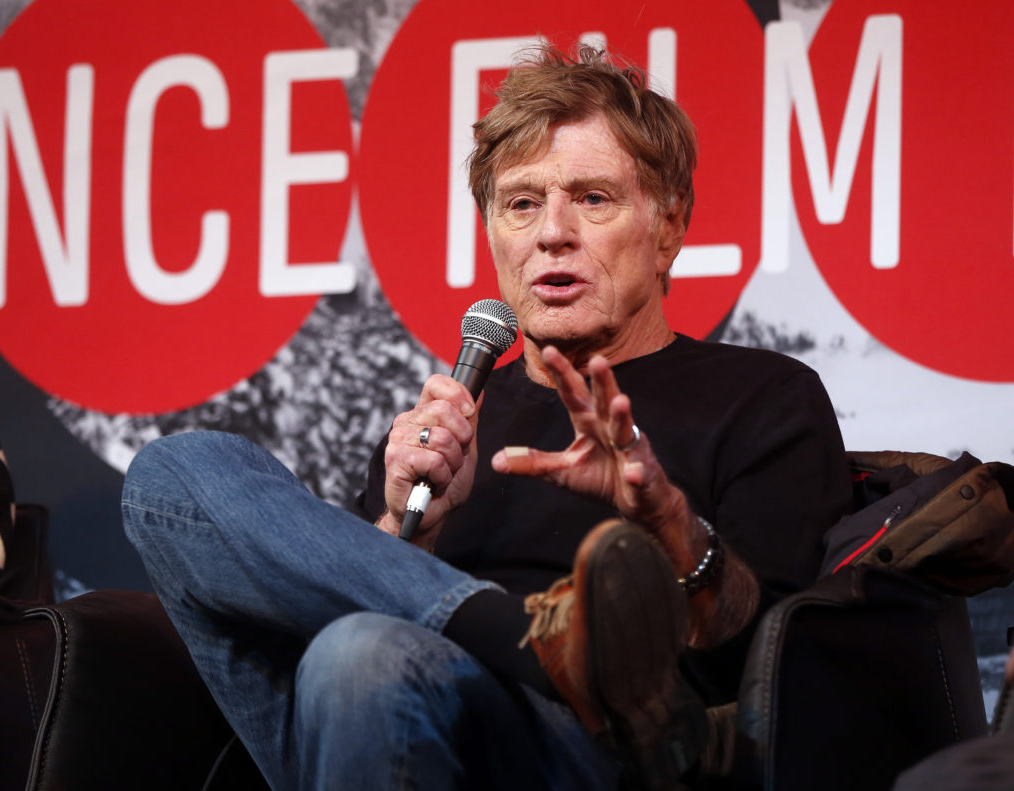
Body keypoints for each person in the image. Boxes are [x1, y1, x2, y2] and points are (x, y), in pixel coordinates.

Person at [122, 44, 852, 790]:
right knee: (167, 475)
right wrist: (413, 531)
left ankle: (536, 660)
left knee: (363, 652)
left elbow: (780, 662)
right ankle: (534, 646)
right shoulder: (451, 426)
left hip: (613, 755)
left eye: (592, 198)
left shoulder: (765, 396)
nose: (551, 233)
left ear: (668, 227)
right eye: (522, 203)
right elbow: (321, 614)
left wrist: (668, 520)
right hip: (364, 726)